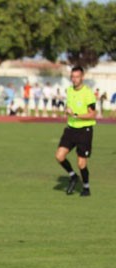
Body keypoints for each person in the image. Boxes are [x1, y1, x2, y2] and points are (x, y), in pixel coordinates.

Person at [55, 66, 96, 197]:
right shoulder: (69, 90)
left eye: (77, 77)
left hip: (85, 130)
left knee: (81, 163)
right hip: (71, 129)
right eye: (72, 77)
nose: (74, 79)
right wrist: (67, 110)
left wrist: (76, 115)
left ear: (82, 77)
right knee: (59, 156)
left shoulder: (88, 93)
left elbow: (92, 114)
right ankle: (73, 176)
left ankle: (86, 187)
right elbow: (69, 106)